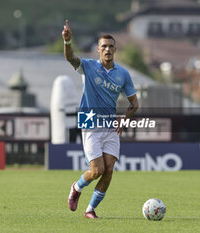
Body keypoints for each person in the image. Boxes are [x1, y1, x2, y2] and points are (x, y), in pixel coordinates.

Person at [62, 19, 139, 219]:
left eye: (111, 47)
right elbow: (71, 58)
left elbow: (134, 104)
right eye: (103, 46)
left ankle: (90, 210)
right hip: (89, 121)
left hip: (110, 125)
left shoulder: (123, 74)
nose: (107, 50)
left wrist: (123, 119)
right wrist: (68, 43)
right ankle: (77, 187)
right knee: (97, 171)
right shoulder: (88, 66)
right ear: (98, 49)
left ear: (115, 49)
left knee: (109, 170)